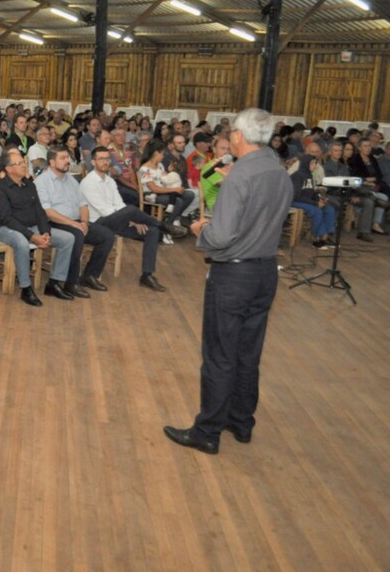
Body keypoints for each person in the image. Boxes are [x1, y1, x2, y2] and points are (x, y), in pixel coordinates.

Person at [164, 108, 293, 455]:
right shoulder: (278, 172)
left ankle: (207, 431)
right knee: (248, 354)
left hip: (233, 274)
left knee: (220, 354)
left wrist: (199, 230)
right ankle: (241, 422)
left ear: (238, 135)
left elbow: (220, 236)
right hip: (265, 272)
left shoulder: (238, 177)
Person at [80, 146, 168, 292]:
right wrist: (129, 217)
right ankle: (163, 225)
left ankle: (147, 275)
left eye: (107, 159)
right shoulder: (88, 182)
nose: (105, 162)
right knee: (132, 210)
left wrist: (132, 220)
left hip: (116, 221)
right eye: (101, 159)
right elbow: (104, 211)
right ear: (93, 162)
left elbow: (119, 204)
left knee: (151, 231)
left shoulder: (109, 180)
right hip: (97, 223)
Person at [35, 147, 115, 293]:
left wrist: (84, 222)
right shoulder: (42, 182)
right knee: (76, 235)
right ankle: (71, 282)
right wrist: (74, 224)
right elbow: (48, 212)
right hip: (54, 222)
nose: (67, 161)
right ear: (52, 162)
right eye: (63, 158)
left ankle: (90, 276)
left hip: (77, 221)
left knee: (107, 235)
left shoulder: (71, 179)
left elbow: (83, 205)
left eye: (67, 158)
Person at [0, 151, 53, 306]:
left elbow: (39, 211)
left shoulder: (29, 184)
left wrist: (45, 232)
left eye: (23, 162)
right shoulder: (0, 189)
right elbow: (6, 219)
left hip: (31, 227)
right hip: (8, 230)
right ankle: (26, 288)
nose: (24, 165)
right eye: (18, 163)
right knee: (21, 242)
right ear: (9, 168)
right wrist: (32, 236)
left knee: (67, 238)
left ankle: (57, 281)